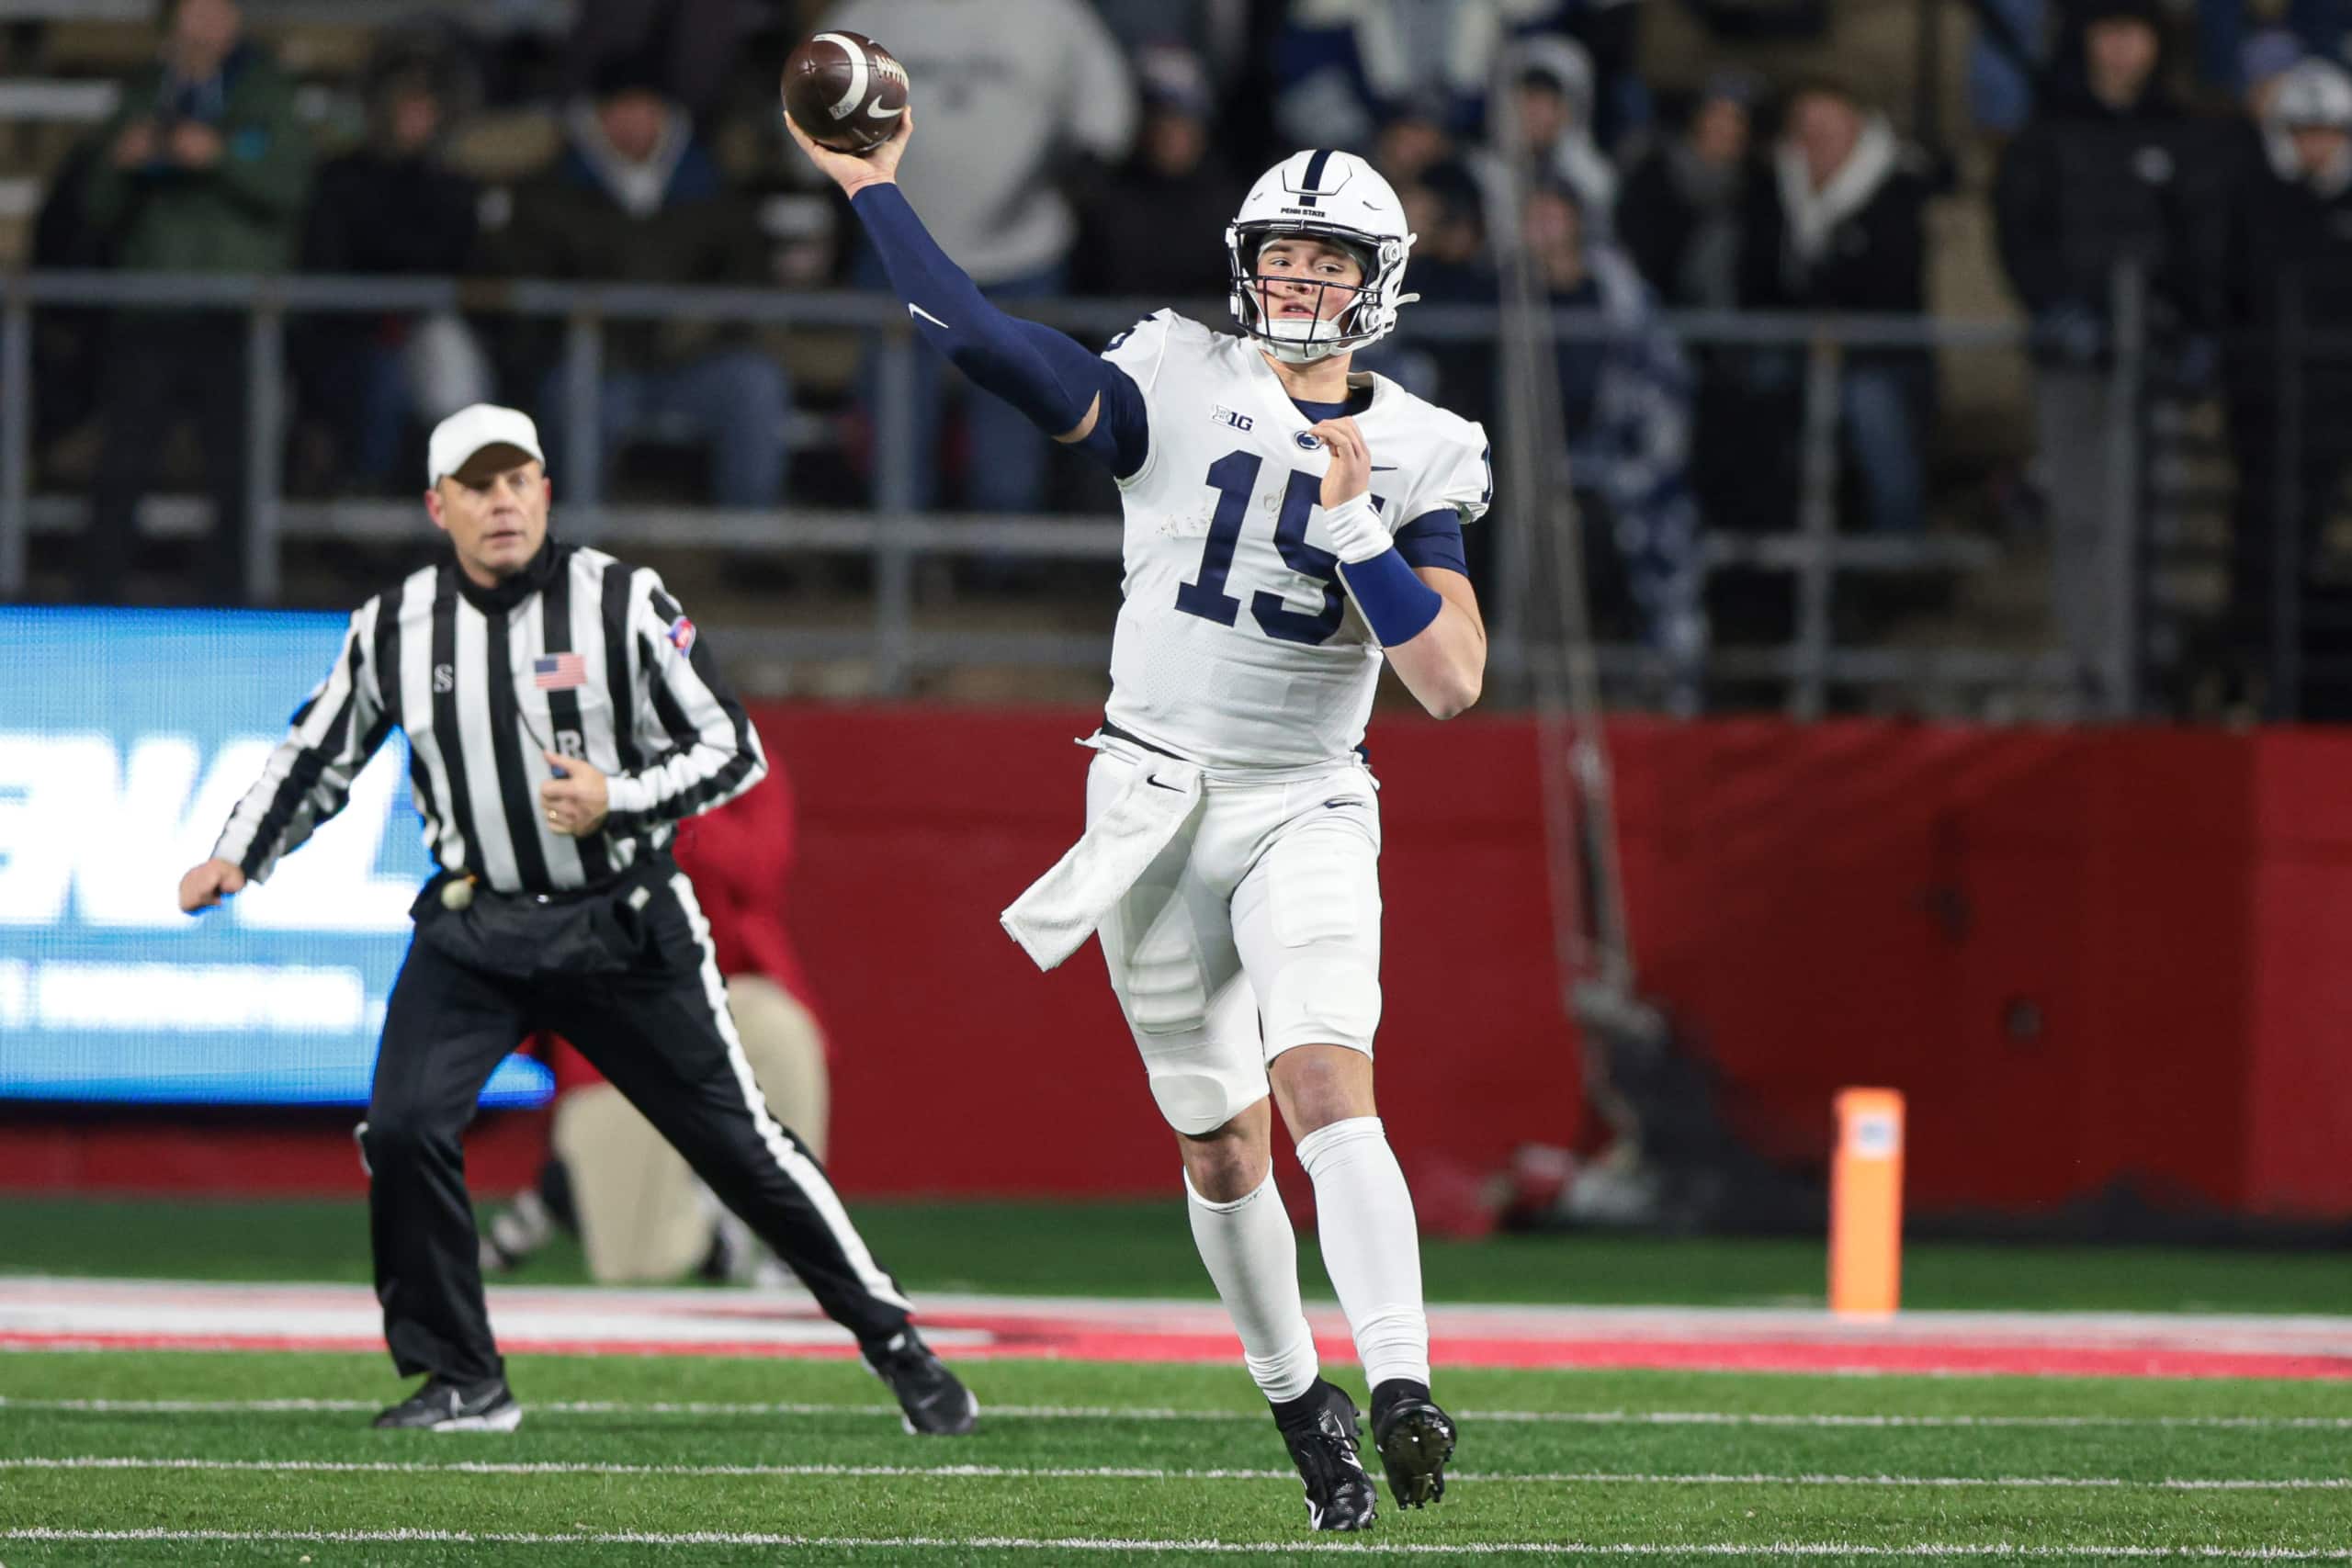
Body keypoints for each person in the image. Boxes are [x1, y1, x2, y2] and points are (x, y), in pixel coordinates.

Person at [792, 104, 1486, 1530]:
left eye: (1324, 263)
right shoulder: (1173, 371)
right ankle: (1305, 1406)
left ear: (1382, 279)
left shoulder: (1424, 449)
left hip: (1307, 798)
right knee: (1220, 1146)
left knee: (1322, 1081)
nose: (1296, 285)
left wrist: (1360, 532)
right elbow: (981, 339)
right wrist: (874, 189)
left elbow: (1452, 681)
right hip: (1153, 798)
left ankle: (1407, 1380)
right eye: (1280, 258)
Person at [174, 403, 974, 1437]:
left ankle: (896, 1345)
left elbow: (733, 749)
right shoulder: (396, 626)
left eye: (518, 481)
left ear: (546, 490)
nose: (501, 502)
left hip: (621, 921)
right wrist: (239, 851)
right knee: (408, 1126)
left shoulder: (622, 601)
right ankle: (463, 1376)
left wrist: (620, 798)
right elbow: (319, 754)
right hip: (476, 926)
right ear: (438, 506)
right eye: (477, 485)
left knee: (741, 1149)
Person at [485, 769, 836, 1284]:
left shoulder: (741, 760)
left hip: (728, 994)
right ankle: (588, 1193)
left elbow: (758, 870)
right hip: (619, 1017)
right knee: (639, 1264)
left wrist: (669, 797)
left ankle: (796, 1235)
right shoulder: (571, 756)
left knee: (782, 1030)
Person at [1994, 0, 2224, 701]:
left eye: (2135, 35)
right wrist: (2053, 308)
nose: (2122, 49)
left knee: (2155, 516)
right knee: (2084, 514)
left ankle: (2142, 663)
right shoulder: (2047, 131)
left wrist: (2194, 329)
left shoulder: (2181, 134)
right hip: (2076, 361)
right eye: (2108, 32)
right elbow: (2017, 230)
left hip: (2154, 360)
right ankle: (2092, 665)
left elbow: (2202, 241)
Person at [826, 0, 1137, 513]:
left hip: (1021, 254)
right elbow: (806, 103)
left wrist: (1071, 179)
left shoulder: (1054, 14)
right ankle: (898, 557)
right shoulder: (875, 11)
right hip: (899, 252)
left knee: (1016, 413)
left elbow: (1106, 113)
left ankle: (1005, 561)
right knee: (895, 415)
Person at [78, 0, 311, 605]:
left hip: (235, 314)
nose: (204, 23)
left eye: (217, 9)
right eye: (193, 9)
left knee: (235, 468)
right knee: (122, 462)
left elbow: (291, 184)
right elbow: (92, 207)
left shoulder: (266, 93)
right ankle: (96, 595)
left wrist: (219, 156)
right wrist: (121, 162)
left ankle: (232, 599)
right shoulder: (144, 92)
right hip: (150, 307)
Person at [498, 65, 790, 510]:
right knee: (578, 398)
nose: (632, 122)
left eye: (645, 108)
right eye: (619, 109)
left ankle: (750, 542)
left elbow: (747, 274)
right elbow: (529, 291)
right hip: (596, 367)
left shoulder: (708, 185)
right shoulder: (554, 188)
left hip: (689, 362)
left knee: (755, 383)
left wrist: (706, 323)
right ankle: (578, 539)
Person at [1739, 79, 1934, 536]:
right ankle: (1764, 552)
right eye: (1806, 128)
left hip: (1880, 354)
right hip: (1795, 347)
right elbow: (1758, 278)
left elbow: (1892, 284)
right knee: (1753, 397)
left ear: (1857, 129)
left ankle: (1897, 561)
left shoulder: (1899, 187)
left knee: (1874, 412)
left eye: (1830, 126)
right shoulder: (1772, 193)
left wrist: (1825, 288)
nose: (1818, 138)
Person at [299, 40, 491, 491]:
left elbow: (461, 266)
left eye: (426, 105)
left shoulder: (453, 188)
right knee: (381, 381)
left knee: (449, 359)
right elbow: (327, 270)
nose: (415, 116)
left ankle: (467, 498)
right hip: (350, 338)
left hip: (426, 328)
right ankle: (363, 497)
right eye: (404, 103)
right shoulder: (341, 180)